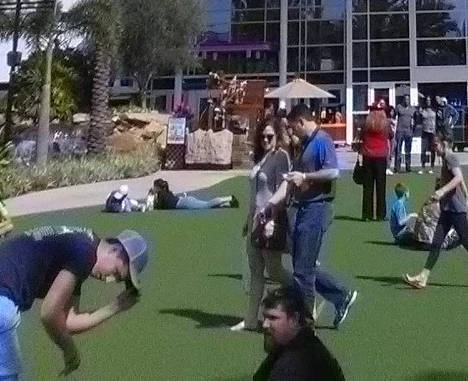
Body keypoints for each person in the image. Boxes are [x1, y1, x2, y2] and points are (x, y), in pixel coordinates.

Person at [0, 225, 146, 380]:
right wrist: (69, 349)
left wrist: (114, 307)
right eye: (116, 273)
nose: (109, 280)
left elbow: (68, 321)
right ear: (116, 250)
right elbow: (49, 313)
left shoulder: (83, 245)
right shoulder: (84, 252)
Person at [286, 106, 357, 329]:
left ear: (301, 121)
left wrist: (305, 176)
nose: (292, 132)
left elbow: (333, 172)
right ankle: (341, 295)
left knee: (302, 270)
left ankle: (306, 320)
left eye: (293, 127)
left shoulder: (322, 140)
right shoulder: (306, 143)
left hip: (317, 208)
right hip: (305, 206)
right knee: (303, 265)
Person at [404, 131, 468, 292]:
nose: (434, 148)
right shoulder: (446, 159)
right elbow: (460, 181)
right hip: (447, 208)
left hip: (456, 209)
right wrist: (467, 197)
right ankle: (423, 277)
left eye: (436, 145)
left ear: (444, 144)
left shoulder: (450, 158)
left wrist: (442, 191)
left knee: (467, 241)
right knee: (436, 242)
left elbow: (458, 177)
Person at [234, 121, 292, 334]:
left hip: (269, 219)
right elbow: (254, 195)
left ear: (277, 137)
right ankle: (250, 319)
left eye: (270, 136)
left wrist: (272, 218)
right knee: (256, 271)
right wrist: (248, 220)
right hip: (254, 220)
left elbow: (283, 189)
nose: (266, 140)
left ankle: (303, 294)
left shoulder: (281, 157)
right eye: (263, 136)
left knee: (274, 270)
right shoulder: (260, 159)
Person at [253, 284, 347, 381]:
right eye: (265, 317)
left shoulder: (293, 365)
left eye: (273, 318)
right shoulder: (302, 344)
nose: (264, 324)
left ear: (295, 318)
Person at [358, 99, 391, 222]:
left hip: (368, 156)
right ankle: (381, 214)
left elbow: (361, 137)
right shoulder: (386, 124)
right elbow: (390, 135)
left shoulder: (366, 124)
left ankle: (367, 214)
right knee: (381, 187)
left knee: (368, 187)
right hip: (381, 156)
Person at [146, 176, 238, 210]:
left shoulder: (161, 194)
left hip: (184, 203)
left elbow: (156, 207)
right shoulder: (166, 192)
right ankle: (229, 204)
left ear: (157, 187)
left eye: (154, 186)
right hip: (184, 201)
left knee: (206, 205)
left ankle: (229, 198)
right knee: (207, 205)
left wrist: (150, 194)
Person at [387, 181, 420, 245]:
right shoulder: (399, 205)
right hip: (400, 235)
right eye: (408, 193)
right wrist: (410, 215)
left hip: (400, 233)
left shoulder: (398, 204)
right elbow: (400, 222)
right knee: (419, 239)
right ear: (405, 194)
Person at [393, 99, 414, 173]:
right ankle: (397, 168)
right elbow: (393, 115)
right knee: (398, 150)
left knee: (408, 151)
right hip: (400, 131)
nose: (406, 101)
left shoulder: (412, 109)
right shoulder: (399, 107)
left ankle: (408, 168)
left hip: (408, 132)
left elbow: (415, 119)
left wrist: (412, 130)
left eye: (408, 99)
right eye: (405, 99)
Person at [419, 98, 438, 170]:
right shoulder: (423, 110)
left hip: (432, 132)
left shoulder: (434, 110)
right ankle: (422, 167)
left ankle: (432, 167)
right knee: (423, 149)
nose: (428, 102)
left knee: (432, 149)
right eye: (427, 100)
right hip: (425, 131)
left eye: (429, 100)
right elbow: (419, 119)